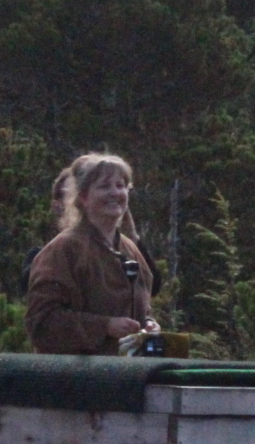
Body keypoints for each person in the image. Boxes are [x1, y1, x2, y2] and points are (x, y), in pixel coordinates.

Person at [25, 152, 163, 355]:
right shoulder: (64, 249)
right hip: (77, 380)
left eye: (120, 186)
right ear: (83, 197)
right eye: (104, 186)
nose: (115, 193)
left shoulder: (130, 249)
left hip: (128, 376)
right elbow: (41, 323)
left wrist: (150, 325)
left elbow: (143, 308)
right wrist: (105, 326)